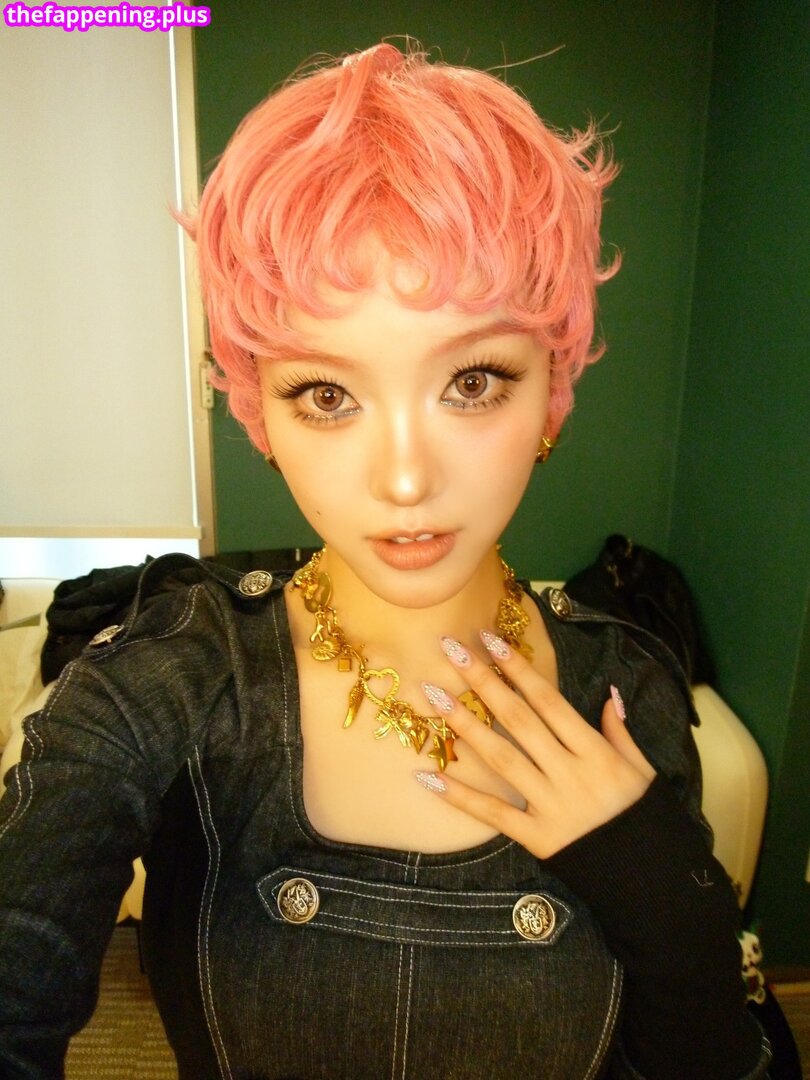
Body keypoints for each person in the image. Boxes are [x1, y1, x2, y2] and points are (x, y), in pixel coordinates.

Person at [0, 41, 770, 1079]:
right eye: (327, 395)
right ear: (261, 413)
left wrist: (661, 887)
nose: (404, 479)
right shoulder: (165, 676)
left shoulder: (629, 691)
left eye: (472, 383)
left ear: (552, 391)